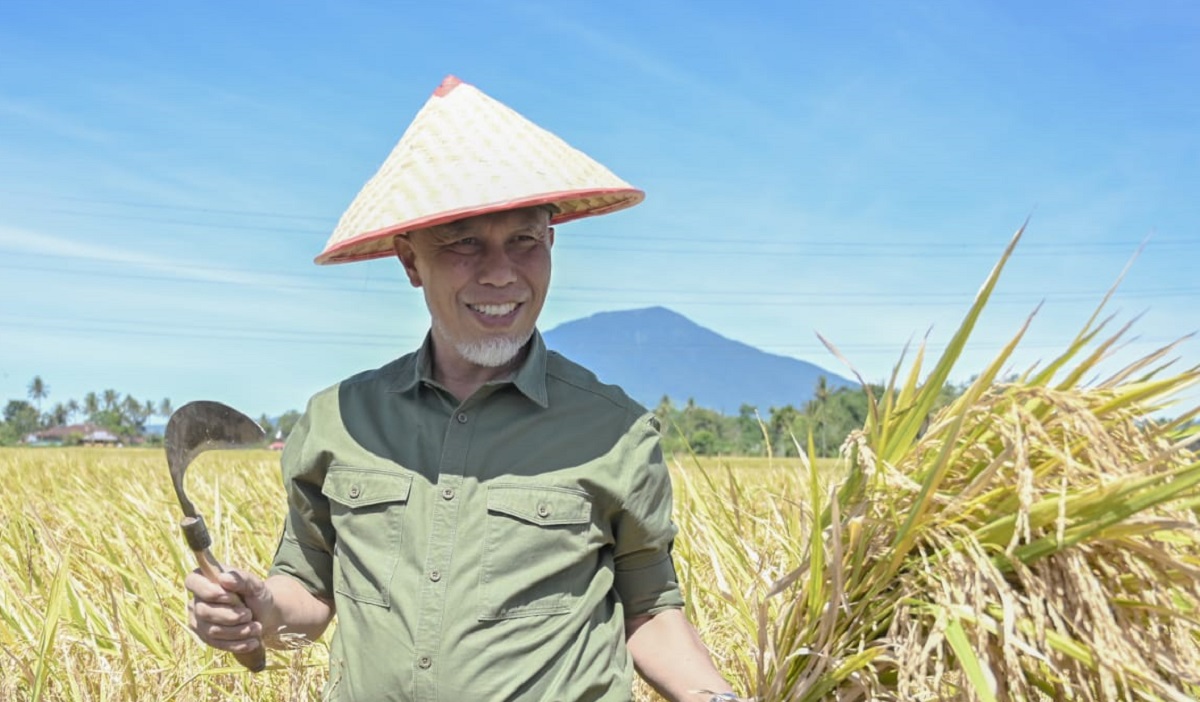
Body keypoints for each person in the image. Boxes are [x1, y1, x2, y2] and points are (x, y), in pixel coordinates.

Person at [186, 75, 741, 702]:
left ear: (551, 241)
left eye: (524, 240)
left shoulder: (614, 430)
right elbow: (309, 592)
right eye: (464, 244)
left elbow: (651, 611)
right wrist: (257, 611)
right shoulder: (340, 420)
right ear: (409, 260)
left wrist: (714, 697)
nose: (501, 272)